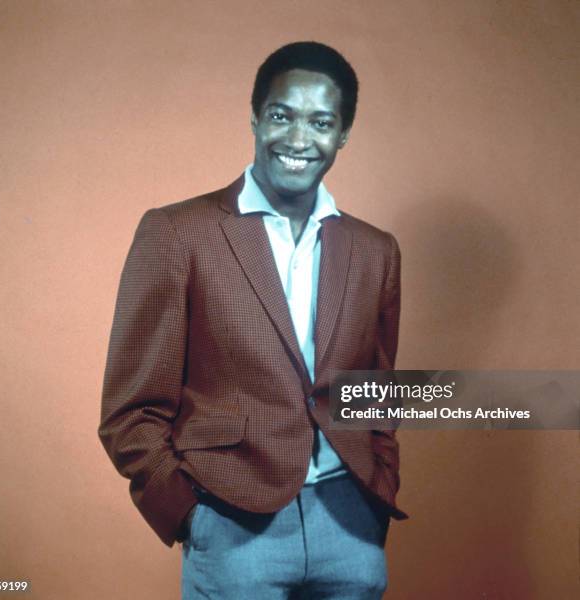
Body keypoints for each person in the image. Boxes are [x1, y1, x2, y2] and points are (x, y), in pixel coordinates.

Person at [99, 41, 406, 599]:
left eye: (320, 122)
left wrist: (375, 496)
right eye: (281, 115)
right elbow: (131, 410)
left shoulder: (376, 250)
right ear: (255, 118)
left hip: (350, 527)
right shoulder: (177, 232)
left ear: (341, 136)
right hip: (232, 528)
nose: (297, 138)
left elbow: (377, 394)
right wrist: (191, 516)